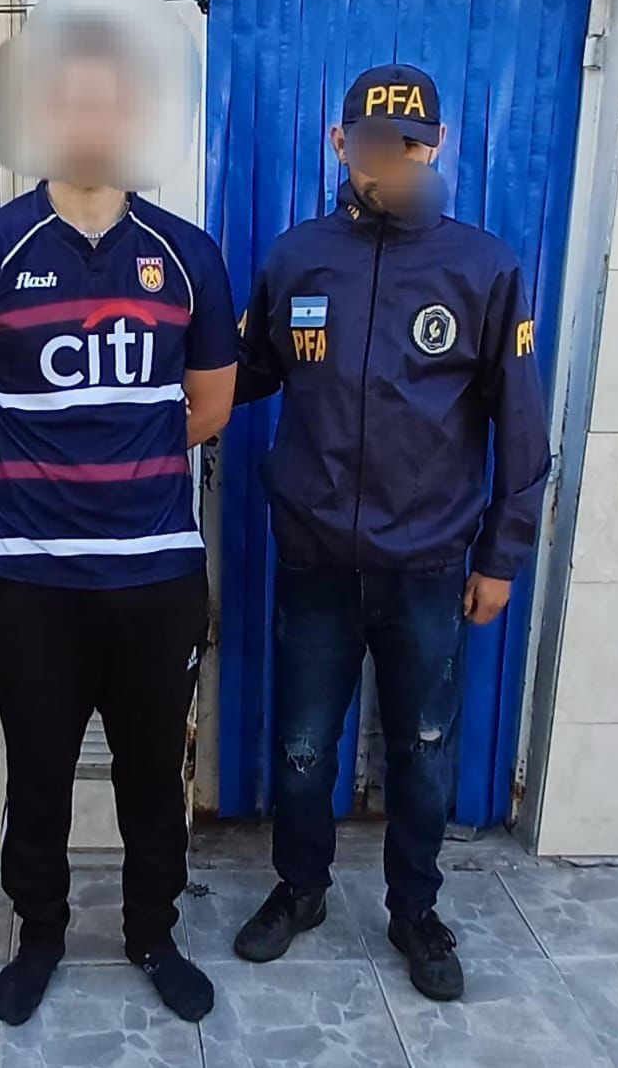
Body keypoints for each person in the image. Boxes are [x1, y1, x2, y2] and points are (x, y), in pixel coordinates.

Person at [0, 14, 238, 1026]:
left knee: (151, 776)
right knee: (40, 773)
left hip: (154, 572)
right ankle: (41, 934)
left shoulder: (185, 254)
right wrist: (35, 450)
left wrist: (112, 450)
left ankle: (152, 933)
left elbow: (209, 406)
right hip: (29, 575)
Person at [230, 64, 550, 1002]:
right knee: (301, 752)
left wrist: (502, 556)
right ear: (340, 144)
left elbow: (521, 427)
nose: (390, 161)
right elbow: (247, 372)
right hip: (316, 560)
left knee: (423, 750)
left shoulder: (484, 268)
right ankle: (301, 889)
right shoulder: (297, 257)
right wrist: (154, 380)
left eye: (409, 145)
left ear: (436, 145)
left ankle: (415, 909)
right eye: (372, 144)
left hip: (429, 567)